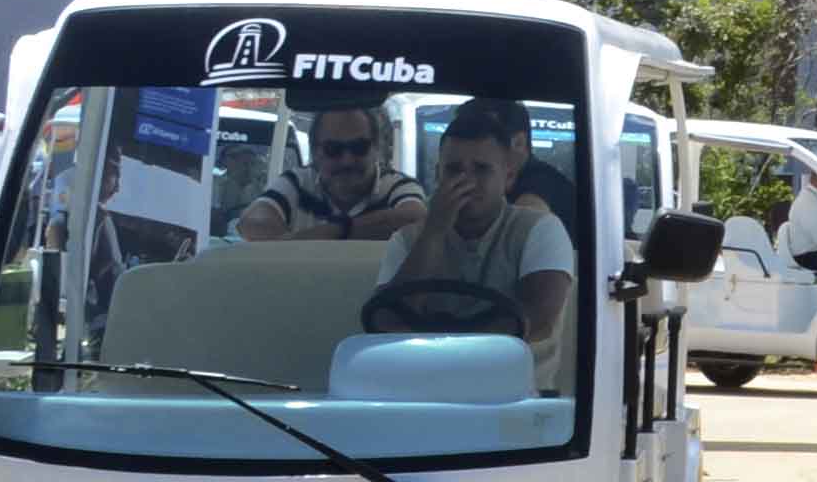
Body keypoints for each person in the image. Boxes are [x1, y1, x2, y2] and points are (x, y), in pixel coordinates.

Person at [375, 97, 579, 389]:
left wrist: (450, 359)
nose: (466, 181)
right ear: (437, 175)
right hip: (424, 390)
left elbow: (539, 319)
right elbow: (385, 319)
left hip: (517, 396)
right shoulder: (408, 239)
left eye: (481, 169)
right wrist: (434, 233)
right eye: (453, 170)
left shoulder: (541, 230)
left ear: (508, 177)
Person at [238, 92, 422, 243]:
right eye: (333, 149)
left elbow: (415, 219)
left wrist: (327, 234)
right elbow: (252, 223)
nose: (347, 161)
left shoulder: (396, 185)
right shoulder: (297, 183)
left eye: (359, 147)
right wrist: (351, 230)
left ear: (376, 148)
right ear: (314, 152)